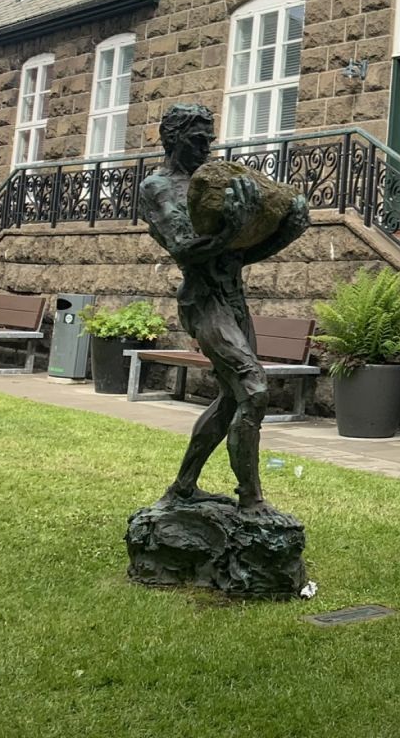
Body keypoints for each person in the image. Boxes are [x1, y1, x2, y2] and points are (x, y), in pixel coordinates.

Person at [138, 103, 309, 513]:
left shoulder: (210, 183)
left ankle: (182, 487)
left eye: (209, 141)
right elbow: (183, 248)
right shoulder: (158, 187)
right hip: (203, 301)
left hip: (232, 299)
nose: (205, 149)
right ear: (173, 139)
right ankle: (250, 500)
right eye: (197, 141)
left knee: (233, 400)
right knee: (255, 389)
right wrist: (232, 229)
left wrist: (288, 229)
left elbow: (238, 256)